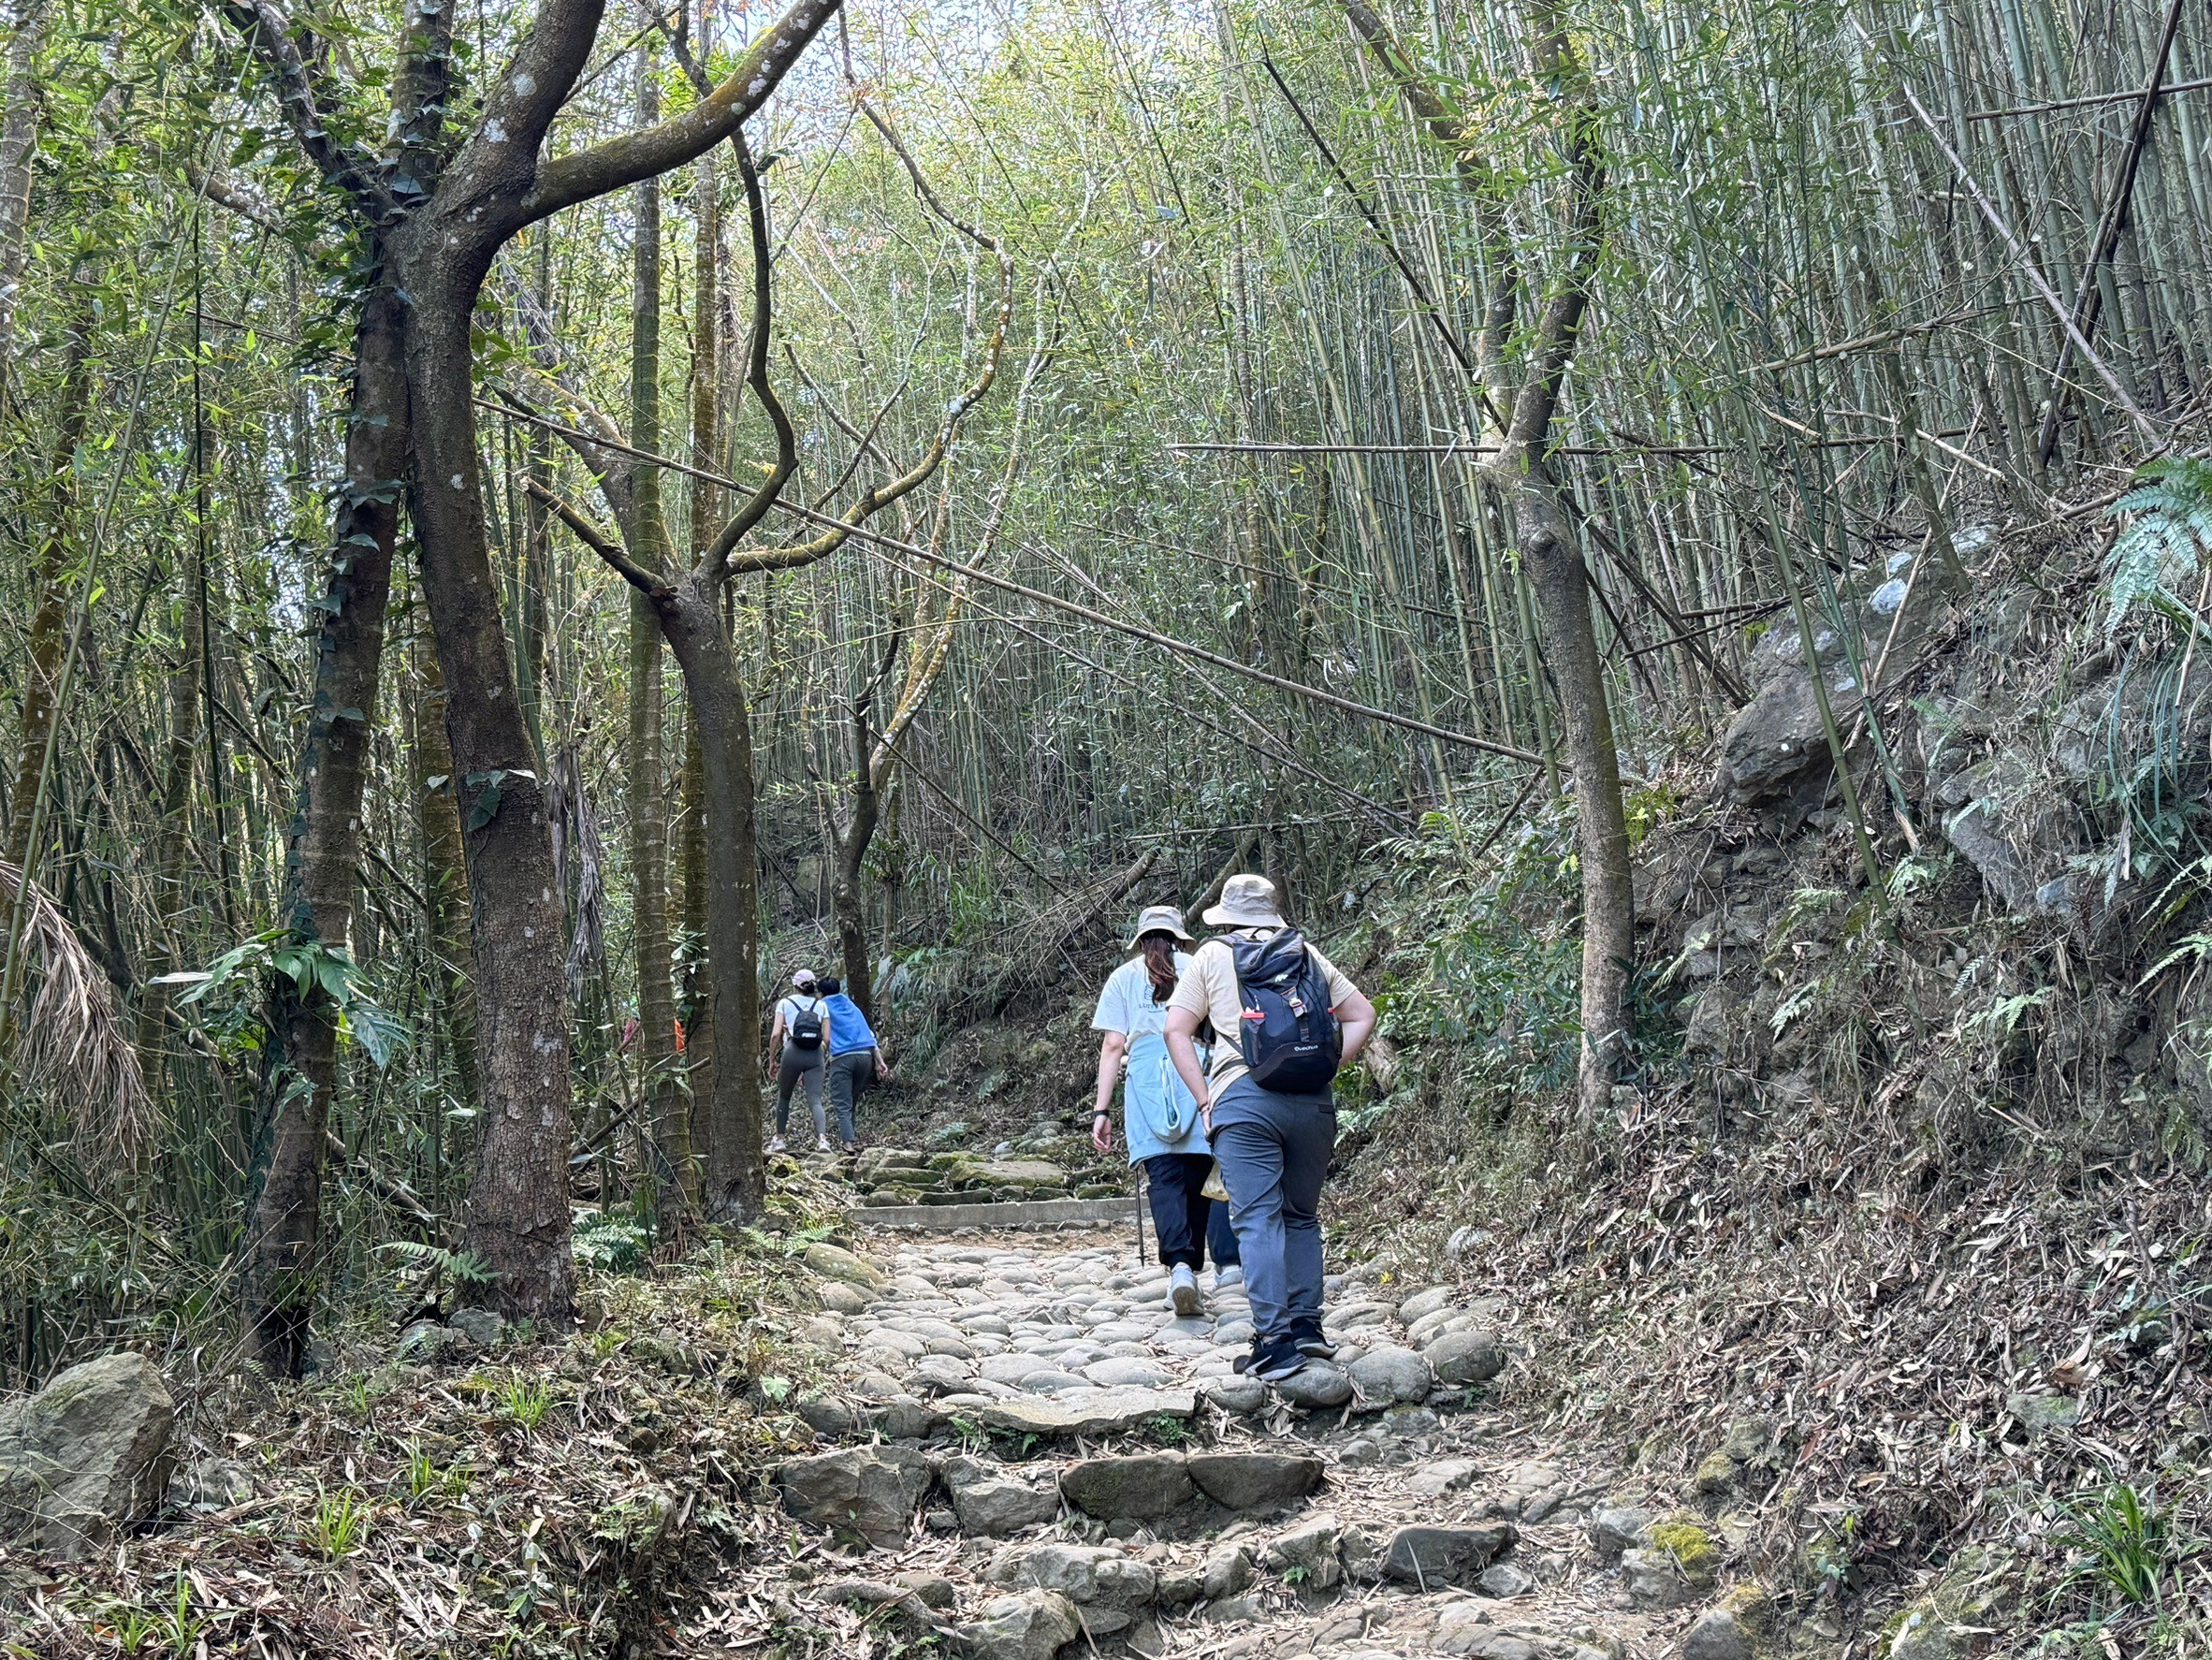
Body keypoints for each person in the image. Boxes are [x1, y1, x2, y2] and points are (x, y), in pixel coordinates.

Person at [1165, 874, 1375, 1382]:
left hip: (1243, 1098)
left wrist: (1204, 1097)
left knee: (1258, 1220)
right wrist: (1326, 1066)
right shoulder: (1305, 953)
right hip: (1312, 1103)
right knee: (1301, 1216)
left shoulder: (1212, 956)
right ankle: (1307, 1328)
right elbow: (1362, 1014)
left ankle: (1274, 1345)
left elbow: (1176, 1029)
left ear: (1227, 915)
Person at [1090, 905, 1238, 1316]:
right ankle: (1209, 1263)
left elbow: (1113, 1047)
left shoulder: (1122, 978)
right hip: (1199, 1071)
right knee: (1201, 1172)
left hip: (1147, 1082)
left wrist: (1101, 1111)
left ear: (1140, 939)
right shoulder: (1199, 965)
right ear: (1179, 936)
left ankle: (1180, 1268)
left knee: (1163, 1177)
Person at [820, 976, 890, 1151]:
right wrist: (879, 1061)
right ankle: (852, 1138)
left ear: (820, 993)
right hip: (865, 1057)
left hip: (842, 1058)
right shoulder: (851, 1006)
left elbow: (820, 1034)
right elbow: (869, 1034)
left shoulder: (822, 1007)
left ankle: (848, 1144)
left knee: (841, 1101)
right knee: (852, 1099)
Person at [765, 968, 831, 1154]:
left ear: (795, 985)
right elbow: (827, 1038)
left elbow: (776, 1034)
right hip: (815, 1053)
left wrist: (772, 1060)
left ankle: (779, 1140)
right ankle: (823, 1140)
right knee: (815, 1099)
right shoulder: (822, 1006)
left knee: (784, 1096)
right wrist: (824, 1054)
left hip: (792, 1051)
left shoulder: (785, 1003)